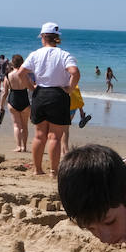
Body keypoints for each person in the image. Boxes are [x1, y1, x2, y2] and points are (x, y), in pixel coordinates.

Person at [20, 22, 80, 176]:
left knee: (39, 135)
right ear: (57, 38)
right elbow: (75, 72)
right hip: (58, 95)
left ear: (42, 37)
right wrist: (69, 88)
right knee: (55, 136)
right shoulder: (64, 54)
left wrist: (31, 87)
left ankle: (37, 169)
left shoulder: (35, 54)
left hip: (40, 94)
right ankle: (54, 171)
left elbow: (21, 73)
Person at [4, 54, 31, 152]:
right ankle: (24, 147)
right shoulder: (24, 75)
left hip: (13, 100)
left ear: (12, 63)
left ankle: (18, 146)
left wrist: (0, 106)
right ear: (22, 63)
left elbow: (5, 92)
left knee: (16, 125)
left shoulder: (8, 76)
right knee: (25, 126)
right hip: (24, 100)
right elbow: (31, 87)